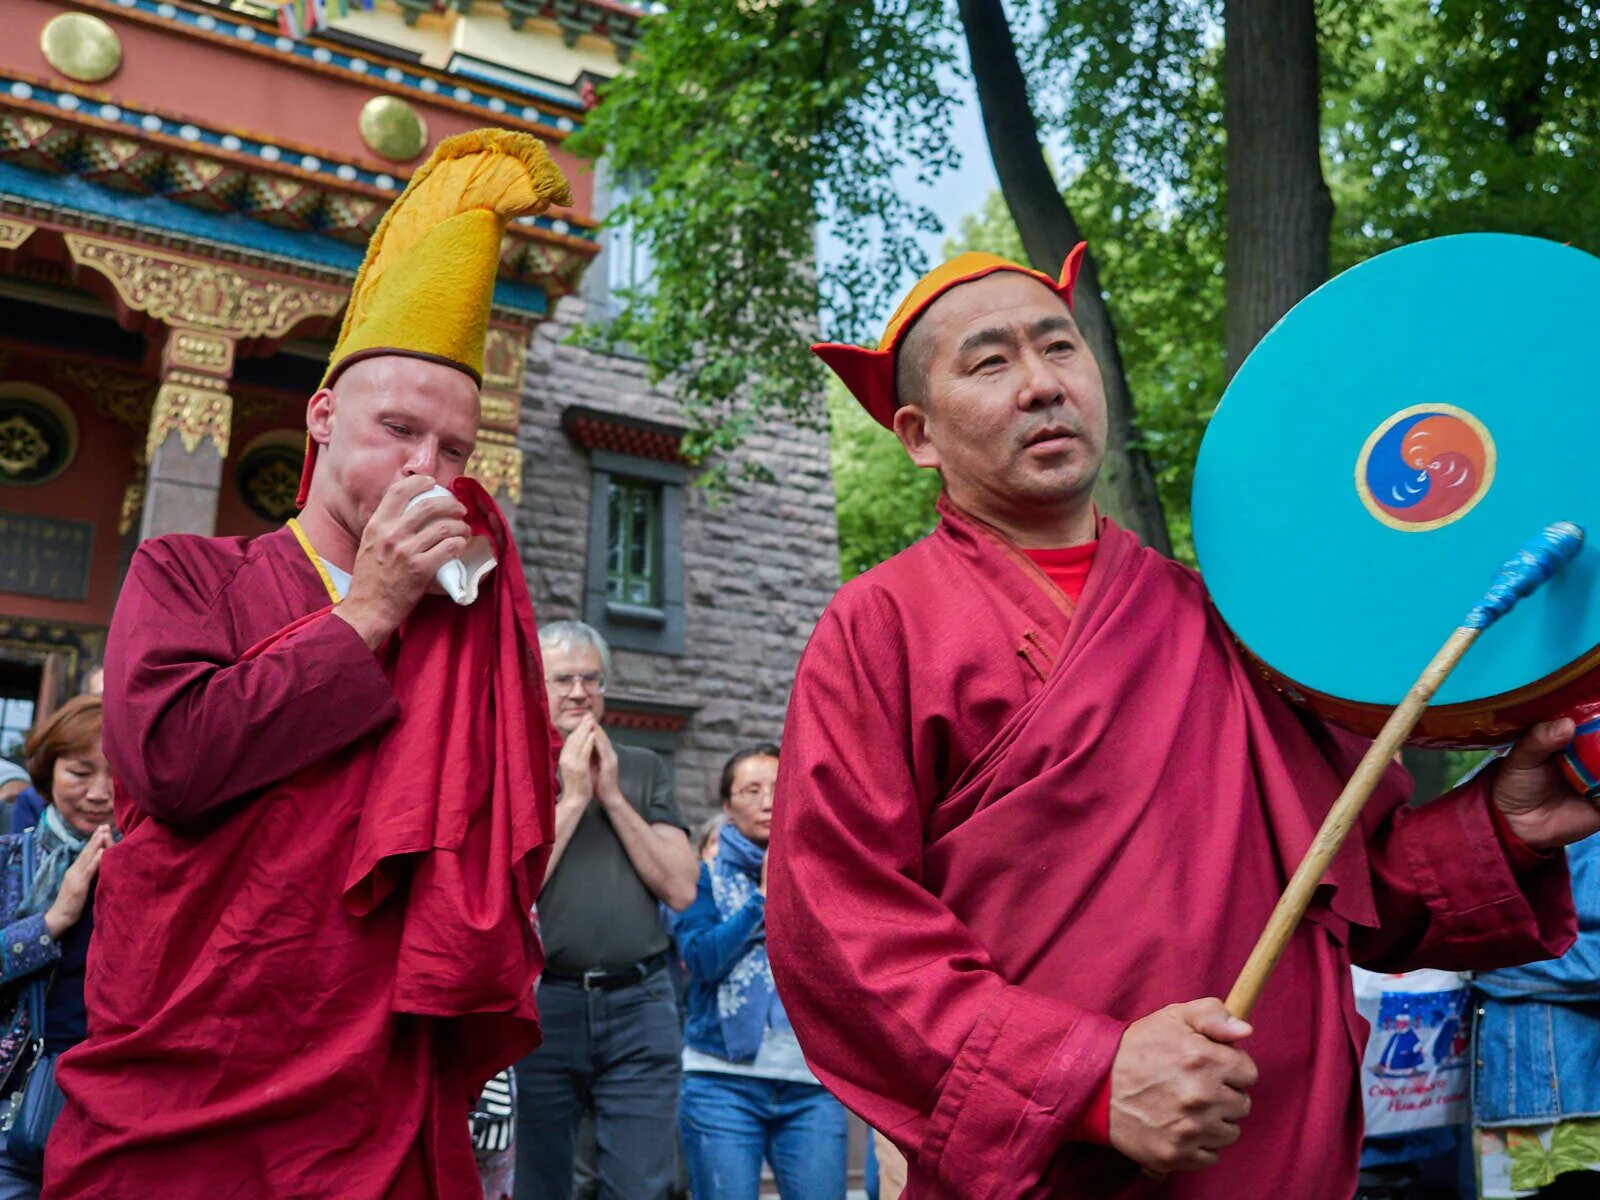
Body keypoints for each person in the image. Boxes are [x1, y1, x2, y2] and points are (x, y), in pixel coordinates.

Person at [767, 247, 1592, 1199]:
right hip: (1054, 1168)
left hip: (1271, 1149)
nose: (1042, 385)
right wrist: (1083, 1078)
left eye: (1060, 348)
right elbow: (839, 930)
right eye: (991, 363)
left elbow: (1356, 884)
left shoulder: (1227, 621)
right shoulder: (883, 626)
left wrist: (1505, 828)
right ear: (917, 434)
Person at [45, 129, 570, 1200]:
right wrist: (367, 609)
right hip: (192, 1065)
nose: (428, 470)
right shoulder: (191, 575)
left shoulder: (461, 629)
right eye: (398, 430)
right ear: (322, 417)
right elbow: (171, 765)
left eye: (457, 450)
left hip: (373, 1086)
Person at [514, 620, 698, 1200]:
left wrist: (613, 796)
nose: (577, 692)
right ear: (534, 686)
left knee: (641, 1185)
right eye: (562, 679)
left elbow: (681, 888)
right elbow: (507, 893)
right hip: (545, 1004)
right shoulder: (513, 767)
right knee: (537, 1181)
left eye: (590, 679)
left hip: (639, 1004)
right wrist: (572, 799)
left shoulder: (642, 767)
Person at [676, 744, 848, 1200]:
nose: (769, 801)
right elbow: (702, 960)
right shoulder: (701, 876)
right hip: (721, 1082)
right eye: (751, 791)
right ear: (728, 806)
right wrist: (765, 897)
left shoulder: (828, 872)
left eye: (777, 786)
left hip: (814, 1084)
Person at [0, 696, 113, 1197]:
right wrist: (52, 921)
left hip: (107, 1104)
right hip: (15, 1102)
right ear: (48, 771)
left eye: (118, 774)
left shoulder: (149, 865)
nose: (99, 794)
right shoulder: (8, 858)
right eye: (80, 772)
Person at [1473, 830, 1600, 1198]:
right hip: (1513, 1094)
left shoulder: (1583, 821)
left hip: (1572, 1106)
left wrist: (1481, 965)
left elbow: (1593, 961)